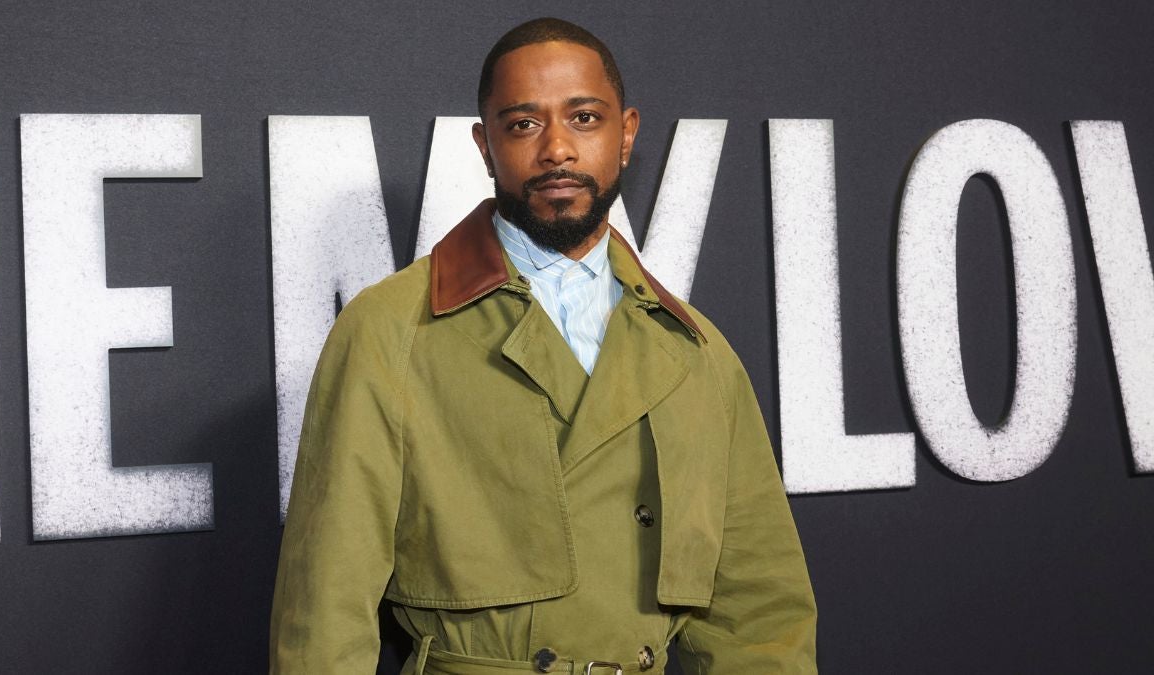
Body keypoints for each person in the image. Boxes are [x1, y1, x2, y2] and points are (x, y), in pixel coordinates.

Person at [270, 17, 817, 674]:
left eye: (584, 119)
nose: (557, 148)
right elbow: (326, 609)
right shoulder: (389, 330)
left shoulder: (698, 353)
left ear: (626, 134)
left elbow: (760, 614)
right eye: (524, 123)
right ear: (485, 145)